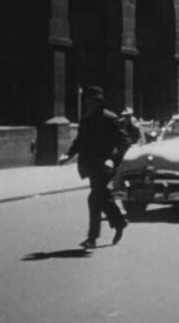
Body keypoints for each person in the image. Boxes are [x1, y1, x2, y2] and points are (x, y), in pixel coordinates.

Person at [59, 86, 130, 249]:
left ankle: (92, 237)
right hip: (90, 166)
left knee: (94, 198)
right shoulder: (85, 120)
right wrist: (68, 155)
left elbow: (125, 141)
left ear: (100, 103)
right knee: (103, 197)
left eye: (93, 102)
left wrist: (113, 159)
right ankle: (119, 222)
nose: (89, 105)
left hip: (105, 166)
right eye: (87, 102)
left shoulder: (110, 118)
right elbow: (79, 141)